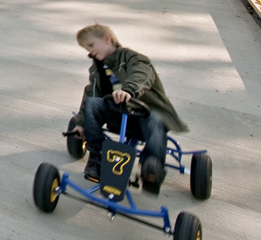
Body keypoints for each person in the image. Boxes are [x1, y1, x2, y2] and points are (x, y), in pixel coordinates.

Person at [73, 23, 188, 190]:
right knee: (91, 103)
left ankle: (152, 167)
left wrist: (128, 90)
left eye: (90, 45)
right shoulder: (97, 69)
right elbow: (92, 93)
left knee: (155, 120)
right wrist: (81, 123)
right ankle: (98, 158)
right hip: (117, 114)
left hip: (145, 113)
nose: (89, 52)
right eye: (86, 49)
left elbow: (141, 74)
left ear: (107, 39)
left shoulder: (133, 58)